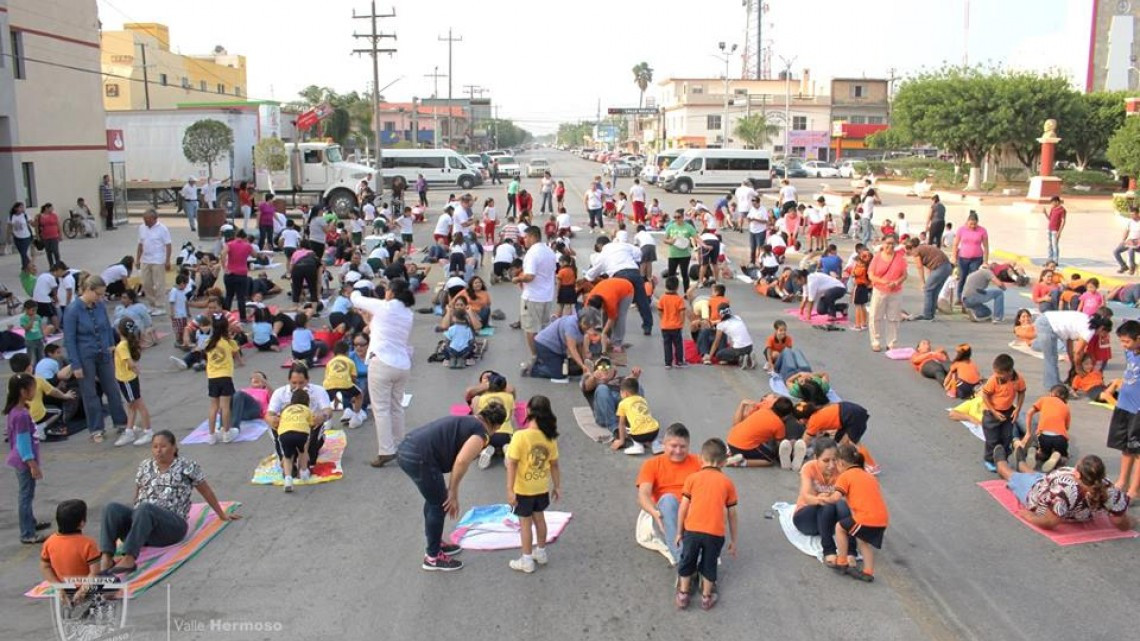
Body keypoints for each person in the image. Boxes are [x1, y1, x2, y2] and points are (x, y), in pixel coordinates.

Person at [99, 430, 238, 574]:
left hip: (170, 528)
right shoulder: (145, 466)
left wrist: (221, 514)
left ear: (174, 447)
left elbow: (206, 491)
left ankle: (129, 558)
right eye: (155, 447)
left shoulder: (187, 466)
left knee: (146, 508)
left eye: (163, 446)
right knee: (112, 508)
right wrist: (136, 520)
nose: (158, 451)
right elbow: (139, 492)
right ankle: (107, 556)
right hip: (144, 526)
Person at [397, 402, 509, 572]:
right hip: (420, 457)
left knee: (434, 499)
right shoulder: (481, 434)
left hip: (409, 448)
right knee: (440, 503)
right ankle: (433, 557)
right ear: (498, 425)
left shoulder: (470, 420)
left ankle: (435, 544)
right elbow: (462, 461)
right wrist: (453, 491)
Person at [352, 278, 416, 468]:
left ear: (392, 292)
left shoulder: (384, 307)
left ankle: (386, 450)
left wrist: (357, 287)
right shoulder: (407, 313)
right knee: (396, 407)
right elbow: (380, 330)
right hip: (402, 365)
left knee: (381, 409)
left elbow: (356, 298)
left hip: (382, 363)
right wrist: (368, 320)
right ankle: (400, 445)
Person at [993, 450, 1131, 531]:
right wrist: (1132, 523)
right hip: (1048, 481)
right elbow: (1120, 522)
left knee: (1009, 474)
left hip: (1037, 491)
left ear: (1077, 474)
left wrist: (1027, 515)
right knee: (1034, 474)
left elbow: (1050, 521)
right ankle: (1022, 462)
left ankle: (1002, 460)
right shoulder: (1108, 488)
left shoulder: (1065, 491)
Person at [674, 438, 738, 611]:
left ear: (701, 458)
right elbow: (732, 514)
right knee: (709, 565)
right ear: (724, 462)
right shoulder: (727, 483)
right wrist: (734, 540)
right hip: (715, 534)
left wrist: (679, 532)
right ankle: (706, 598)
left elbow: (683, 508)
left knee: (687, 561)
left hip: (692, 531)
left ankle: (683, 595)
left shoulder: (692, 478)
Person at [62, 276, 127, 443]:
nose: (100, 298)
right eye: (98, 294)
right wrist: (75, 364)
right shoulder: (73, 310)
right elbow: (69, 339)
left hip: (103, 353)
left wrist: (112, 345)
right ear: (88, 290)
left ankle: (121, 422)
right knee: (90, 393)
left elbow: (106, 326)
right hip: (85, 356)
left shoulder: (100, 306)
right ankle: (96, 428)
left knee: (112, 388)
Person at [506, 395, 562, 573]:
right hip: (541, 487)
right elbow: (554, 465)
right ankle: (541, 551)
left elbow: (512, 464)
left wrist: (510, 489)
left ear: (528, 411)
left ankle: (526, 559)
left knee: (525, 524)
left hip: (523, 489)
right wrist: (557, 486)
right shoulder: (550, 438)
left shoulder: (520, 436)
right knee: (540, 519)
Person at [636, 423, 702, 566]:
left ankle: (699, 562)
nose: (678, 451)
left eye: (683, 447)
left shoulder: (698, 462)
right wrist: (654, 512)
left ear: (689, 446)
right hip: (665, 516)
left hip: (692, 514)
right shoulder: (652, 464)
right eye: (673, 446)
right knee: (668, 500)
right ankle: (684, 563)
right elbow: (643, 494)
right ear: (664, 444)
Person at [826, 444, 889, 582]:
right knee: (863, 542)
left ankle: (841, 561)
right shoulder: (868, 476)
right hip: (882, 519)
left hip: (865, 518)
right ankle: (868, 572)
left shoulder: (845, 476)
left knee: (840, 527)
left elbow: (836, 498)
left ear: (841, 462)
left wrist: (824, 499)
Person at [6, 374, 48, 544]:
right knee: (26, 496)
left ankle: (30, 522)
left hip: (21, 459)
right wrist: (32, 464)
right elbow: (23, 443)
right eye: (32, 388)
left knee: (27, 495)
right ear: (23, 392)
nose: (35, 391)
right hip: (24, 461)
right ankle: (27, 533)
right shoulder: (21, 415)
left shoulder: (17, 411)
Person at [585, 235, 654, 336]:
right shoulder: (622, 245)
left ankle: (611, 334)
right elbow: (639, 252)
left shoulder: (603, 254)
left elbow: (594, 272)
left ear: (599, 245)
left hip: (619, 276)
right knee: (642, 300)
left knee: (617, 308)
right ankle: (647, 326)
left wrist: (587, 277)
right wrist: (635, 260)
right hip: (634, 272)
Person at [792, 437, 845, 564]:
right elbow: (806, 496)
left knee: (841, 506)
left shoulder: (842, 469)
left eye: (835, 460)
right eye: (826, 461)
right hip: (806, 518)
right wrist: (820, 498)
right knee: (827, 505)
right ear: (816, 458)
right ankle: (829, 550)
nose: (832, 465)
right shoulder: (809, 467)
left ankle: (850, 550)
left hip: (829, 521)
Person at [39, 499, 100, 606]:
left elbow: (45, 567)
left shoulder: (49, 542)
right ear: (82, 523)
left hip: (65, 587)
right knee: (114, 581)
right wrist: (82, 591)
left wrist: (58, 587)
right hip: (84, 587)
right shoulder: (88, 543)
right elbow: (94, 573)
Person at [513, 227, 558, 355]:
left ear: (532, 237)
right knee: (543, 328)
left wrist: (517, 279)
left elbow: (529, 276)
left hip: (532, 297)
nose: (524, 240)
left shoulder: (532, 253)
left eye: (526, 237)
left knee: (531, 329)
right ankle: (544, 354)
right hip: (547, 296)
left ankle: (535, 356)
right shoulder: (549, 251)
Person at [1108, 320, 1140, 501]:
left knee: (1138, 450)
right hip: (1123, 406)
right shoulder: (1130, 352)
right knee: (1125, 447)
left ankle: (1134, 490)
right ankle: (1122, 481)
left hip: (1138, 410)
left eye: (1127, 342)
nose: (1124, 345)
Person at [524, 308, 601, 380]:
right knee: (559, 375)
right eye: (586, 324)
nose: (587, 327)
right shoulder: (571, 325)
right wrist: (582, 365)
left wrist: (585, 363)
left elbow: (580, 346)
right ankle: (534, 369)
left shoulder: (583, 328)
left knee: (576, 370)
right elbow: (572, 349)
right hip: (545, 346)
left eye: (589, 326)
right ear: (581, 319)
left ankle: (547, 363)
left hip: (559, 349)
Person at [1033, 311, 1101, 391]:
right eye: (1103, 333)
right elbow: (1078, 351)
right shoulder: (1090, 330)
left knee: (1052, 357)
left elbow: (1069, 344)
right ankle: (1054, 387)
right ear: (1102, 328)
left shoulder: (1086, 321)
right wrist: (1078, 367)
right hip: (1047, 324)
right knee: (1051, 358)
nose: (1100, 335)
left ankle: (1055, 383)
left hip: (1045, 320)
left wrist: (1073, 363)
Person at [981, 353, 1026, 472]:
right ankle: (990, 460)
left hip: (1008, 411)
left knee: (1007, 437)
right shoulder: (993, 380)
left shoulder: (1018, 379)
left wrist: (1017, 409)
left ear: (1009, 372)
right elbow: (984, 395)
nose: (997, 375)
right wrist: (994, 412)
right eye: (996, 372)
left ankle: (1003, 459)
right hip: (991, 414)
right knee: (992, 439)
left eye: (1000, 373)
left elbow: (1021, 392)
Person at [724, 396, 798, 468]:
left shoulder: (763, 410)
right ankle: (741, 462)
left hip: (731, 439)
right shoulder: (779, 424)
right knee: (769, 460)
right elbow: (780, 445)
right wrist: (791, 445)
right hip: (743, 446)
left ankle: (732, 452)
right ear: (786, 416)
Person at [112, 320, 153, 447]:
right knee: (131, 405)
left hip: (126, 379)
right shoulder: (125, 344)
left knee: (138, 404)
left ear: (120, 330)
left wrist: (135, 368)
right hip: (127, 379)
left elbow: (129, 363)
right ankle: (129, 431)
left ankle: (148, 431)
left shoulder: (121, 346)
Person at [204, 315, 242, 445]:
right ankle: (226, 433)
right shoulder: (229, 342)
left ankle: (211, 435)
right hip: (225, 376)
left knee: (213, 407)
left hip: (212, 377)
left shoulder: (208, 342)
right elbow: (238, 357)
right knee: (225, 407)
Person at [867, 234, 907, 352]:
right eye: (887, 243)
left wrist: (896, 282)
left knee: (893, 317)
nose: (890, 246)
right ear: (883, 244)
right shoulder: (877, 257)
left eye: (892, 243)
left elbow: (904, 275)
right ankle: (876, 341)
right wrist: (883, 281)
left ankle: (892, 342)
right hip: (880, 290)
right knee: (875, 316)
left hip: (895, 291)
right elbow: (871, 275)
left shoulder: (900, 258)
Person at [277, 389, 319, 492]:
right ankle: (304, 472)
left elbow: (280, 421)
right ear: (307, 401)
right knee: (302, 451)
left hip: (284, 433)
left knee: (287, 457)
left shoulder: (285, 410)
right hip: (301, 433)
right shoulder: (306, 409)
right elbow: (312, 423)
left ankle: (288, 479)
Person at [904, 237, 951, 321]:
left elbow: (919, 267)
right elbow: (929, 264)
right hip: (947, 266)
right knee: (935, 290)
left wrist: (923, 282)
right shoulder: (924, 247)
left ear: (910, 248)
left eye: (906, 251)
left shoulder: (916, 251)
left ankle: (927, 315)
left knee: (928, 290)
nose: (906, 253)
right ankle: (931, 313)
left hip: (939, 267)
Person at [136, 209, 171, 315]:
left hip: (158, 260)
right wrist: (137, 258)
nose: (145, 221)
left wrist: (167, 260)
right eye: (144, 219)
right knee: (146, 283)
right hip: (145, 260)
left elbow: (168, 245)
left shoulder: (162, 229)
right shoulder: (142, 228)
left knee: (159, 284)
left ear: (154, 219)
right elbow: (140, 244)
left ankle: (160, 306)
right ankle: (152, 304)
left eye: (147, 219)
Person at [611, 377, 660, 455]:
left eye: (621, 392)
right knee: (647, 421)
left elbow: (621, 424)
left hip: (639, 436)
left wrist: (621, 440)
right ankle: (656, 445)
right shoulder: (642, 400)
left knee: (630, 426)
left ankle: (638, 446)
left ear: (625, 393)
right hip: (655, 432)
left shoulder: (623, 403)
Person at [951, 211, 989, 309]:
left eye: (975, 224)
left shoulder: (982, 231)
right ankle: (959, 297)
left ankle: (971, 298)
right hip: (963, 258)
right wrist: (953, 257)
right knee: (962, 277)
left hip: (976, 258)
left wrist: (985, 261)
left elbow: (986, 247)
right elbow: (955, 244)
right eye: (971, 224)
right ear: (967, 222)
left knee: (972, 279)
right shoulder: (961, 230)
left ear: (977, 222)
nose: (972, 226)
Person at [323, 341, 363, 429]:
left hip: (328, 385)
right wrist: (353, 389)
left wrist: (335, 397)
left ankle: (328, 422)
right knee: (359, 395)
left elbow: (327, 377)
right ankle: (355, 418)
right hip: (345, 383)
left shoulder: (329, 362)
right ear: (347, 352)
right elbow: (353, 377)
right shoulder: (350, 361)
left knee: (326, 403)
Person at [705, 303, 755, 368]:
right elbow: (726, 320)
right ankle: (748, 355)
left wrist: (710, 356)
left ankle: (740, 358)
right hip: (750, 346)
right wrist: (715, 322)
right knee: (736, 346)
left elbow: (716, 343)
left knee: (719, 355)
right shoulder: (737, 317)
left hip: (739, 349)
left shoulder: (721, 325)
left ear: (720, 313)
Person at [657, 276, 688, 369]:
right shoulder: (679, 299)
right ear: (677, 287)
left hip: (665, 326)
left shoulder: (662, 298)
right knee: (678, 344)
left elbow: (660, 311)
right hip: (676, 326)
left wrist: (663, 319)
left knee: (667, 344)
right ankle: (679, 361)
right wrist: (681, 323)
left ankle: (668, 363)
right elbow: (682, 312)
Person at [664, 210, 698, 291]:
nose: (676, 219)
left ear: (683, 217)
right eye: (675, 217)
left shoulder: (688, 227)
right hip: (673, 254)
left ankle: (686, 292)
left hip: (685, 255)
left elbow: (696, 237)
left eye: (678, 217)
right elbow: (665, 239)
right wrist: (670, 241)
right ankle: (670, 291)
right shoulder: (670, 226)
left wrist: (703, 245)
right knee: (671, 274)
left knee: (684, 274)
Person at [34, 203, 62, 268]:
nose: (52, 209)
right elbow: (36, 226)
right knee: (48, 252)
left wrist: (60, 234)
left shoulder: (54, 215)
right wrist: (37, 235)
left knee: (55, 251)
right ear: (46, 208)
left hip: (54, 235)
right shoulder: (39, 216)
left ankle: (58, 265)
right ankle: (51, 265)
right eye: (51, 208)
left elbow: (58, 225)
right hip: (45, 236)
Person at [9, 201, 34, 270]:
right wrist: (8, 237)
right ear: (16, 208)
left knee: (23, 253)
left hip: (26, 237)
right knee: (22, 254)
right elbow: (9, 227)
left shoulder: (25, 215)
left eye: (23, 207)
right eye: (20, 207)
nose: (22, 208)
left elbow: (32, 224)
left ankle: (25, 267)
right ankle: (29, 265)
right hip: (17, 237)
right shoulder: (11, 216)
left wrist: (36, 222)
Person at [1042, 195, 1066, 264]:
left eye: (1053, 202)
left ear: (1057, 202)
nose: (1052, 204)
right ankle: (1050, 259)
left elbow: (1063, 221)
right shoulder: (1053, 209)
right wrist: (1045, 213)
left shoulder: (1062, 210)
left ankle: (1055, 261)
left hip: (1055, 230)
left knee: (1055, 245)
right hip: (1049, 229)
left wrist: (1059, 232)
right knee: (1049, 245)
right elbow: (1050, 219)